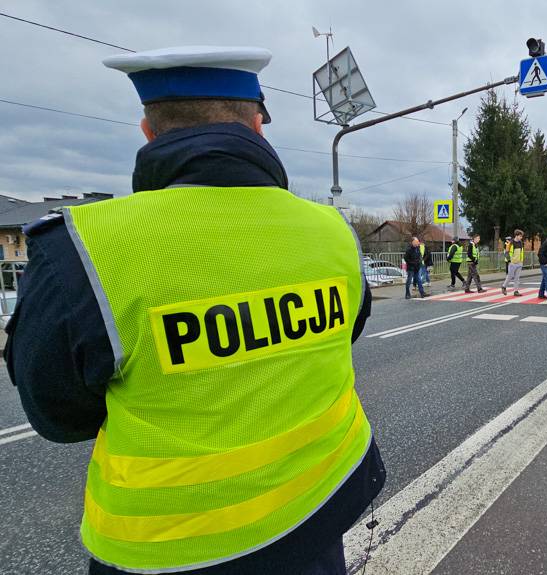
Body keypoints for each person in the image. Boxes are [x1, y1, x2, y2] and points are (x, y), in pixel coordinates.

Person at [4, 47, 386, 575]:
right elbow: (340, 334)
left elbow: (57, 415)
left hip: (168, 550)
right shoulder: (334, 232)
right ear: (258, 125)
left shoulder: (82, 248)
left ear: (148, 132)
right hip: (321, 507)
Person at [501, 230, 525, 296]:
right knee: (510, 276)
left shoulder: (521, 243)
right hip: (512, 263)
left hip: (519, 262)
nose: (521, 237)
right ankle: (504, 286)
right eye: (520, 236)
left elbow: (521, 252)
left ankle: (516, 291)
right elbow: (506, 253)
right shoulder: (510, 243)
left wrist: (521, 261)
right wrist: (509, 261)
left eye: (521, 236)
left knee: (517, 278)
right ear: (516, 236)